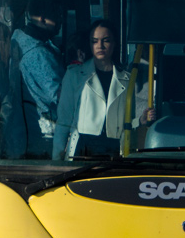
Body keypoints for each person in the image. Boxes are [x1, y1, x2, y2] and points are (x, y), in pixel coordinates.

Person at [54, 21, 133, 159]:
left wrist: (142, 120)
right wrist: (57, 159)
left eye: (106, 41)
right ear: (89, 45)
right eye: (95, 41)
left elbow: (128, 121)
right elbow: (64, 120)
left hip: (114, 147)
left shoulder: (127, 79)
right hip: (83, 147)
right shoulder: (75, 75)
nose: (100, 46)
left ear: (114, 44)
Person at [9, 0, 64, 158]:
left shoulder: (18, 38)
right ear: (42, 18)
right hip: (45, 133)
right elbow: (60, 96)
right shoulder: (39, 55)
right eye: (57, 16)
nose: (60, 21)